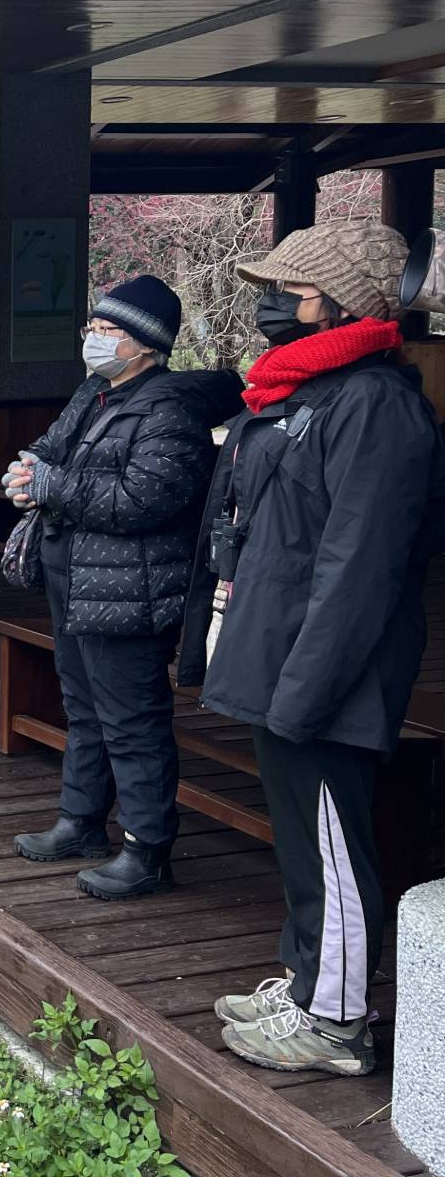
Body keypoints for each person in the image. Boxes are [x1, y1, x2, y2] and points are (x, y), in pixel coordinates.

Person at [176, 218, 443, 1077]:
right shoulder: (307, 392)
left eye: (288, 289)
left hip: (326, 671)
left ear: (334, 301)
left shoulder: (376, 403)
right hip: (281, 654)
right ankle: (308, 979)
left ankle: (336, 1020)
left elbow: (358, 568)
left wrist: (305, 689)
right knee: (302, 837)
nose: (270, 303)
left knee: (333, 841)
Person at [6, 276, 242, 900]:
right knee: (82, 707)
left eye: (108, 332)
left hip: (130, 588)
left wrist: (53, 486)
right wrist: (27, 470)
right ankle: (81, 822)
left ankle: (147, 848)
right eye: (93, 329)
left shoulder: (171, 409)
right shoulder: (96, 392)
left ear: (146, 345)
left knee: (133, 719)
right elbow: (49, 450)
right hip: (76, 575)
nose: (94, 340)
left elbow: (146, 499)